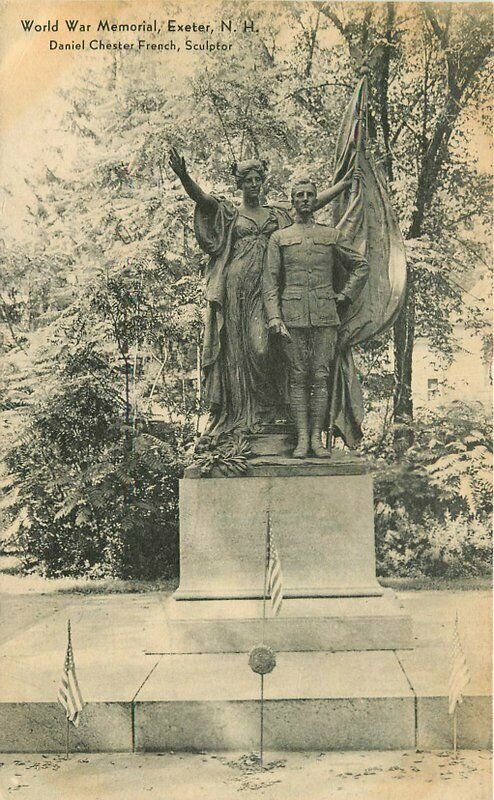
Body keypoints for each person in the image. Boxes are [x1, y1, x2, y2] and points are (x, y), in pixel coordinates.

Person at [168, 148, 352, 438]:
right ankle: (244, 416)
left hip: (268, 289)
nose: (254, 185)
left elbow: (311, 204)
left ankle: (271, 411)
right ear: (240, 184)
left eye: (258, 180)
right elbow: (201, 199)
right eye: (249, 180)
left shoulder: (276, 212)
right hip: (236, 289)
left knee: (265, 349)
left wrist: (342, 184)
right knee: (239, 352)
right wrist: (184, 175)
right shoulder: (230, 212)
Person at [263, 178, 369, 458]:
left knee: (320, 378)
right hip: (292, 317)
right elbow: (270, 282)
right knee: (298, 379)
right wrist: (275, 317)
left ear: (315, 200)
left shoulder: (330, 235)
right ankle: (301, 440)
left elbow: (360, 266)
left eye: (310, 195)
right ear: (293, 200)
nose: (306, 199)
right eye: (300, 195)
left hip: (325, 317)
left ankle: (316, 440)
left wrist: (344, 296)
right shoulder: (280, 238)